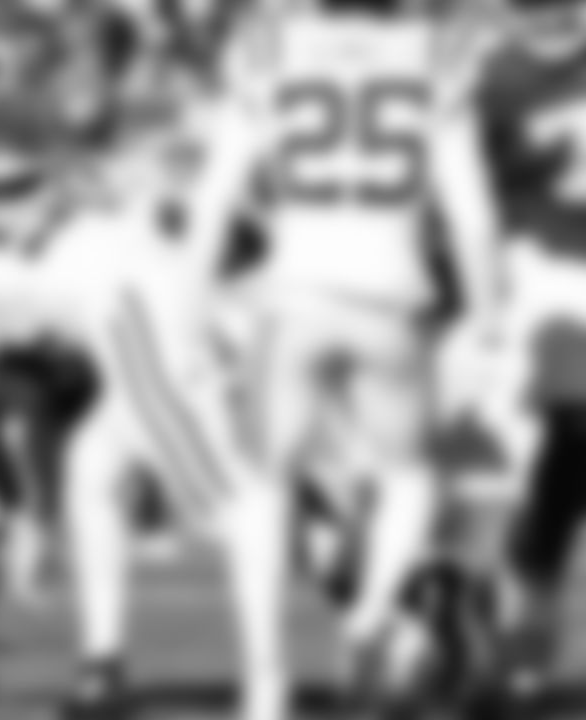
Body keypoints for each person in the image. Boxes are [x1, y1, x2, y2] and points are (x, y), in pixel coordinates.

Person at [172, 0, 501, 719]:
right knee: (410, 477)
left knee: (262, 487)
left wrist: (188, 311)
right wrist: (487, 317)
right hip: (393, 296)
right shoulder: (435, 54)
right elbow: (472, 212)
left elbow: (215, 196)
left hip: (293, 297)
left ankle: (265, 682)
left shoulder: (264, 44)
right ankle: (373, 611)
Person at [480, 0, 586, 697]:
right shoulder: (495, 80)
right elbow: (470, 191)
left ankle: (522, 644)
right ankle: (520, 642)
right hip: (543, 273)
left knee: (563, 459)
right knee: (560, 449)